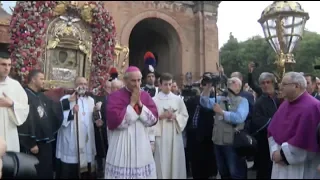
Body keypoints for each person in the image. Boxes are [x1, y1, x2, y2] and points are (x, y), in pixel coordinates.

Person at [104, 66, 158, 179]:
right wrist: (132, 104)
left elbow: (153, 120)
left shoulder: (145, 96)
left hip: (141, 144)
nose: (137, 84)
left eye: (139, 80)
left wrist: (141, 105)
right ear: (125, 80)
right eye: (133, 80)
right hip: (121, 144)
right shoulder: (115, 97)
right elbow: (116, 123)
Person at [268, 72, 320, 179]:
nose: (280, 87)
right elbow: (272, 131)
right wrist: (274, 152)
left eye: (284, 84)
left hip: (301, 167)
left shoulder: (313, 107)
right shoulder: (285, 104)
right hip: (279, 163)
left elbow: (307, 141)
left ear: (296, 86)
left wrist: (283, 155)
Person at [200, 77, 249, 179]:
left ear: (239, 87)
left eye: (233, 82)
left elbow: (239, 118)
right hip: (218, 141)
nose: (230, 82)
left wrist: (221, 112)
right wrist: (207, 88)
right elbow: (204, 102)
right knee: (223, 172)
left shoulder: (243, 101)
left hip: (232, 142)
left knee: (235, 173)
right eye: (229, 81)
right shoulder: (220, 99)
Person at [18, 70, 62, 179]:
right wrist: (30, 143)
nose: (44, 81)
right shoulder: (24, 95)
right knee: (35, 172)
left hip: (45, 141)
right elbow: (24, 120)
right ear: (33, 79)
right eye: (41, 79)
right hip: (34, 145)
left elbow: (53, 109)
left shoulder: (41, 95)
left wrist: (67, 102)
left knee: (45, 171)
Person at [55, 77, 96, 179]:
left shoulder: (91, 100)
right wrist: (72, 112)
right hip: (71, 138)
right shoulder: (66, 99)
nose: (83, 86)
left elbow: (92, 118)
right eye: (80, 84)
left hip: (86, 139)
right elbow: (59, 118)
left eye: (85, 84)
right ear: (75, 86)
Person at [152, 73, 189, 179]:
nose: (168, 87)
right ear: (160, 84)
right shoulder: (154, 100)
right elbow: (150, 118)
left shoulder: (177, 99)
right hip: (161, 135)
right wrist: (162, 116)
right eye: (165, 84)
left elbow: (184, 115)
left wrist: (175, 117)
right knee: (161, 160)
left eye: (170, 84)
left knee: (175, 161)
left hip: (174, 134)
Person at [250, 72, 281, 179]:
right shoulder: (259, 102)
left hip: (283, 140)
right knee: (265, 169)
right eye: (263, 83)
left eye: (268, 82)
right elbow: (256, 121)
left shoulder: (281, 98)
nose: (265, 85)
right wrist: (275, 122)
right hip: (265, 141)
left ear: (273, 83)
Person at [186, 87, 218, 179]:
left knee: (207, 159)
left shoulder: (211, 101)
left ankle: (210, 174)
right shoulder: (192, 102)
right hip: (193, 134)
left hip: (206, 136)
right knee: (195, 160)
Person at [0, 52, 29, 152]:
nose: (7, 68)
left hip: (9, 131)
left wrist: (12, 104)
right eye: (3, 64)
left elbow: (25, 108)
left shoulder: (15, 86)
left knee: (9, 164)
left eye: (9, 65)